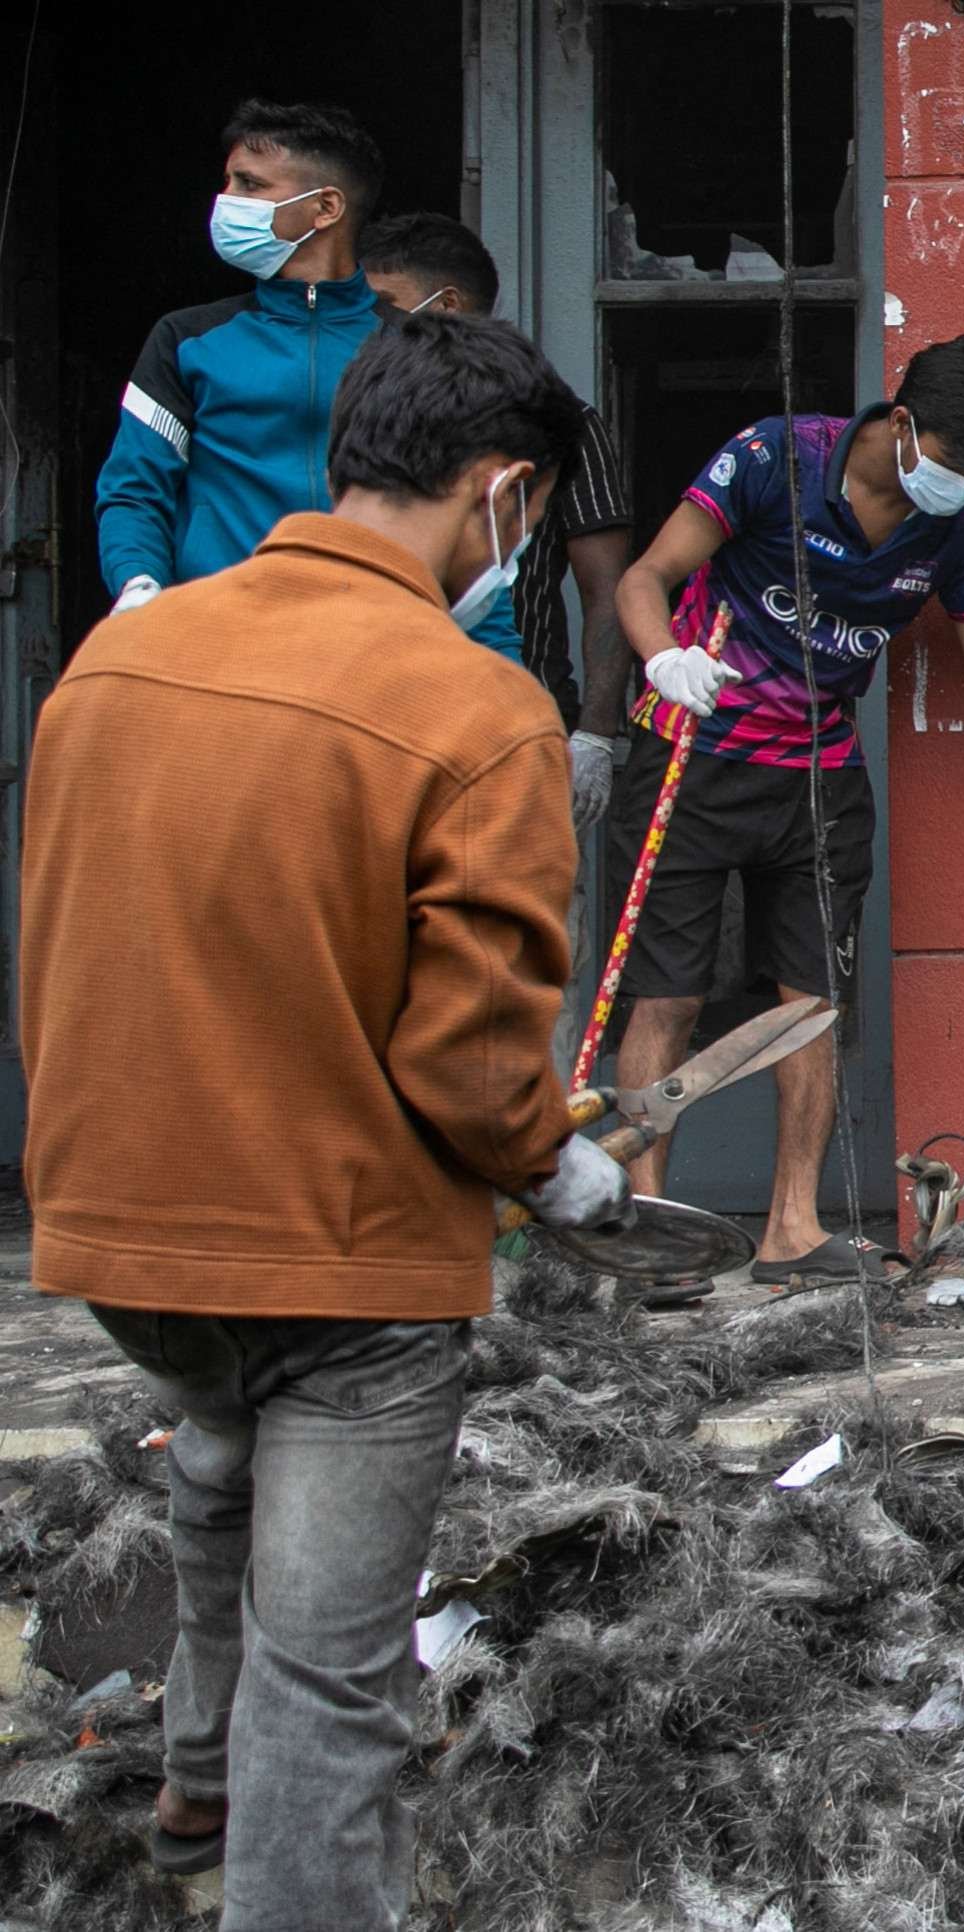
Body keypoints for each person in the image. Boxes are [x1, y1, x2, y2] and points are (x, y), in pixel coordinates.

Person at [21, 313, 633, 1930]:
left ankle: (196, 1778)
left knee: (224, 1429)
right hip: (344, 1264)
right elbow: (465, 1062)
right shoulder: (470, 704)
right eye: (530, 518)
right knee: (333, 1670)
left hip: (123, 1233)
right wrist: (548, 1160)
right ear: (504, 495)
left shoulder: (114, 659)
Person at [610, 333, 964, 1289]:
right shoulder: (773, 458)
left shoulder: (953, 529)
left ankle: (792, 1232)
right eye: (957, 465)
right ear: (900, 426)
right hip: (695, 756)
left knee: (811, 1005)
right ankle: (655, 1241)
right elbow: (646, 577)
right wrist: (662, 660)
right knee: (668, 995)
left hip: (819, 777)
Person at [361, 212, 642, 1076]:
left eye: (383, 309)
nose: (366, 329)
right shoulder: (362, 410)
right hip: (379, 723)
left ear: (443, 307)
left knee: (529, 963)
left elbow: (607, 592)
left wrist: (595, 734)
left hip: (522, 728)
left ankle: (536, 1173)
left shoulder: (561, 425)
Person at [96, 100, 399, 615]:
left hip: (369, 635)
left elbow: (468, 520)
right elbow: (134, 491)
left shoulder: (415, 349)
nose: (226, 200)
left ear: (326, 207)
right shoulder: (186, 339)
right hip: (219, 631)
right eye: (229, 182)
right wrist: (139, 586)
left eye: (251, 185)